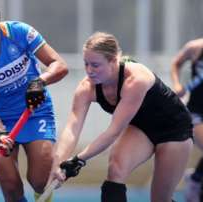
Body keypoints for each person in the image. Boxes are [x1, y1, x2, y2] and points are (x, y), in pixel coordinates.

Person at [49, 32, 193, 202]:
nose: (89, 71)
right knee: (116, 170)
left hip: (174, 131)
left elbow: (113, 132)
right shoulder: (86, 88)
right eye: (86, 64)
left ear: (114, 60)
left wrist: (78, 160)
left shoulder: (135, 80)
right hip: (141, 129)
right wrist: (58, 163)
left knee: (160, 199)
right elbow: (72, 128)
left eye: (95, 65)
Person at [0, 1, 68, 202]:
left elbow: (59, 65)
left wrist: (39, 82)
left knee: (41, 180)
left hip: (34, 110)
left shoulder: (20, 33)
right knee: (10, 187)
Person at [171, 38, 203, 202]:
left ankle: (197, 176)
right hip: (197, 113)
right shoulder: (195, 47)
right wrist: (177, 84)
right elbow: (176, 63)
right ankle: (195, 180)